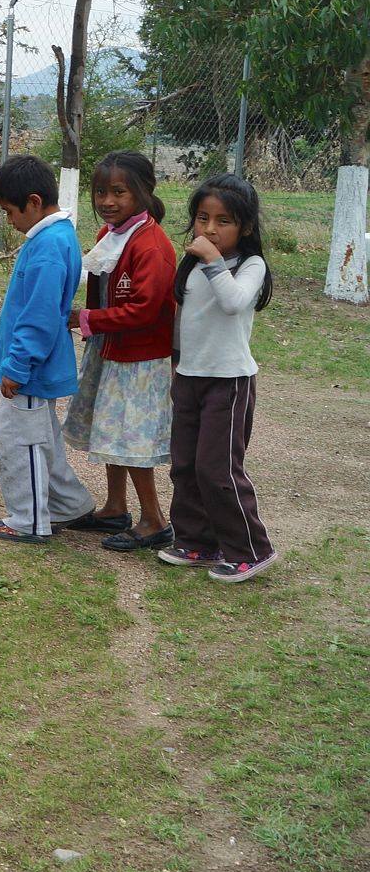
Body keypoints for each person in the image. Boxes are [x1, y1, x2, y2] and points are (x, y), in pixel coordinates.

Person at [61, 151, 177, 552]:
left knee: (130, 438)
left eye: (118, 192)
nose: (107, 201)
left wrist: (88, 318)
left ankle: (154, 519)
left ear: (144, 192)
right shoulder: (109, 235)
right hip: (110, 349)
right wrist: (93, 323)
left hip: (139, 359)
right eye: (100, 192)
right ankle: (114, 507)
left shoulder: (151, 245)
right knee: (110, 429)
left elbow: (145, 309)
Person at [163, 175, 277, 583]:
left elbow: (232, 303)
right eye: (202, 218)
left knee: (218, 469)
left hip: (228, 382)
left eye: (223, 221)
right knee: (185, 465)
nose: (209, 229)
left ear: (245, 227)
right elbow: (184, 318)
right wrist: (176, 364)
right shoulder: (194, 265)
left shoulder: (251, 265)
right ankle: (197, 542)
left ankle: (251, 550)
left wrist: (212, 259)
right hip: (189, 377)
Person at [0, 154, 95, 543]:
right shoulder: (57, 237)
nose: (9, 220)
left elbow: (39, 315)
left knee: (19, 440)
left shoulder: (48, 245)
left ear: (33, 202)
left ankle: (27, 521)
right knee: (44, 439)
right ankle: (69, 504)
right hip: (38, 365)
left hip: (30, 370)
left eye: (9, 212)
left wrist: (17, 366)